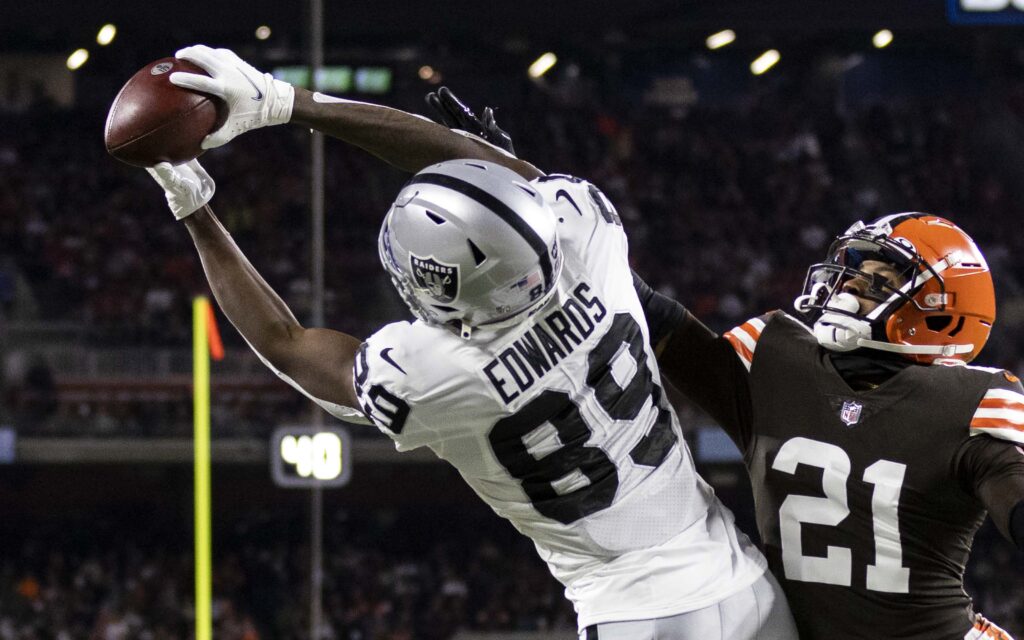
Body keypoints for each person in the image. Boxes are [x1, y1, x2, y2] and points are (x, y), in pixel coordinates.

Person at [143, 45, 797, 639]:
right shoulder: (586, 231)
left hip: (631, 615)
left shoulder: (437, 372)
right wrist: (288, 102)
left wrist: (195, 209)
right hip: (743, 584)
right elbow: (487, 165)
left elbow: (287, 343)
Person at [420, 89, 1024, 640]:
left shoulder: (975, 403)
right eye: (852, 269)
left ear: (943, 312)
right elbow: (632, 300)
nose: (849, 286)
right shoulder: (778, 358)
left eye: (878, 277)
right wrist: (527, 202)